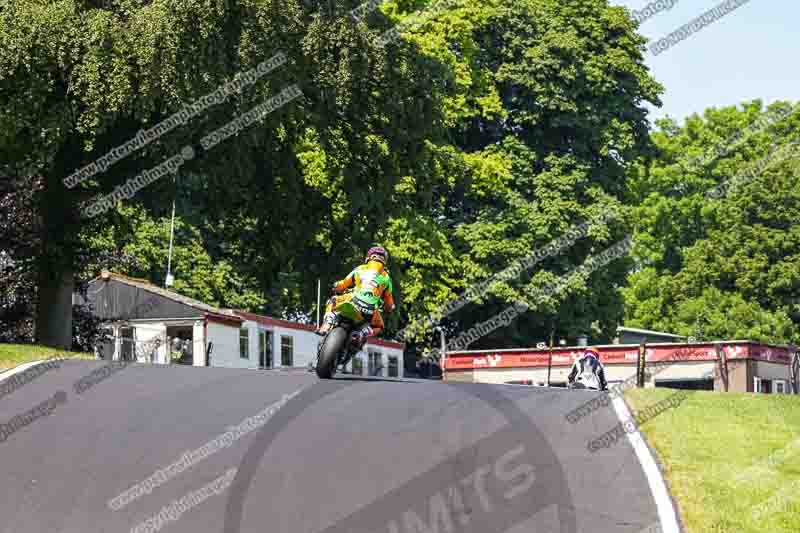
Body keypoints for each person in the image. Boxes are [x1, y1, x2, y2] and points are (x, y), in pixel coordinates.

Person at [316, 245, 395, 349]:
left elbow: (343, 284)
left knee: (332, 301)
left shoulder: (360, 268)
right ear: (384, 260)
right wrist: (388, 308)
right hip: (370, 311)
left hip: (353, 301)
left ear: (369, 257)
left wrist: (336, 287)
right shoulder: (387, 277)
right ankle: (362, 334)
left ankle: (327, 323)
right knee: (379, 326)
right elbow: (389, 302)